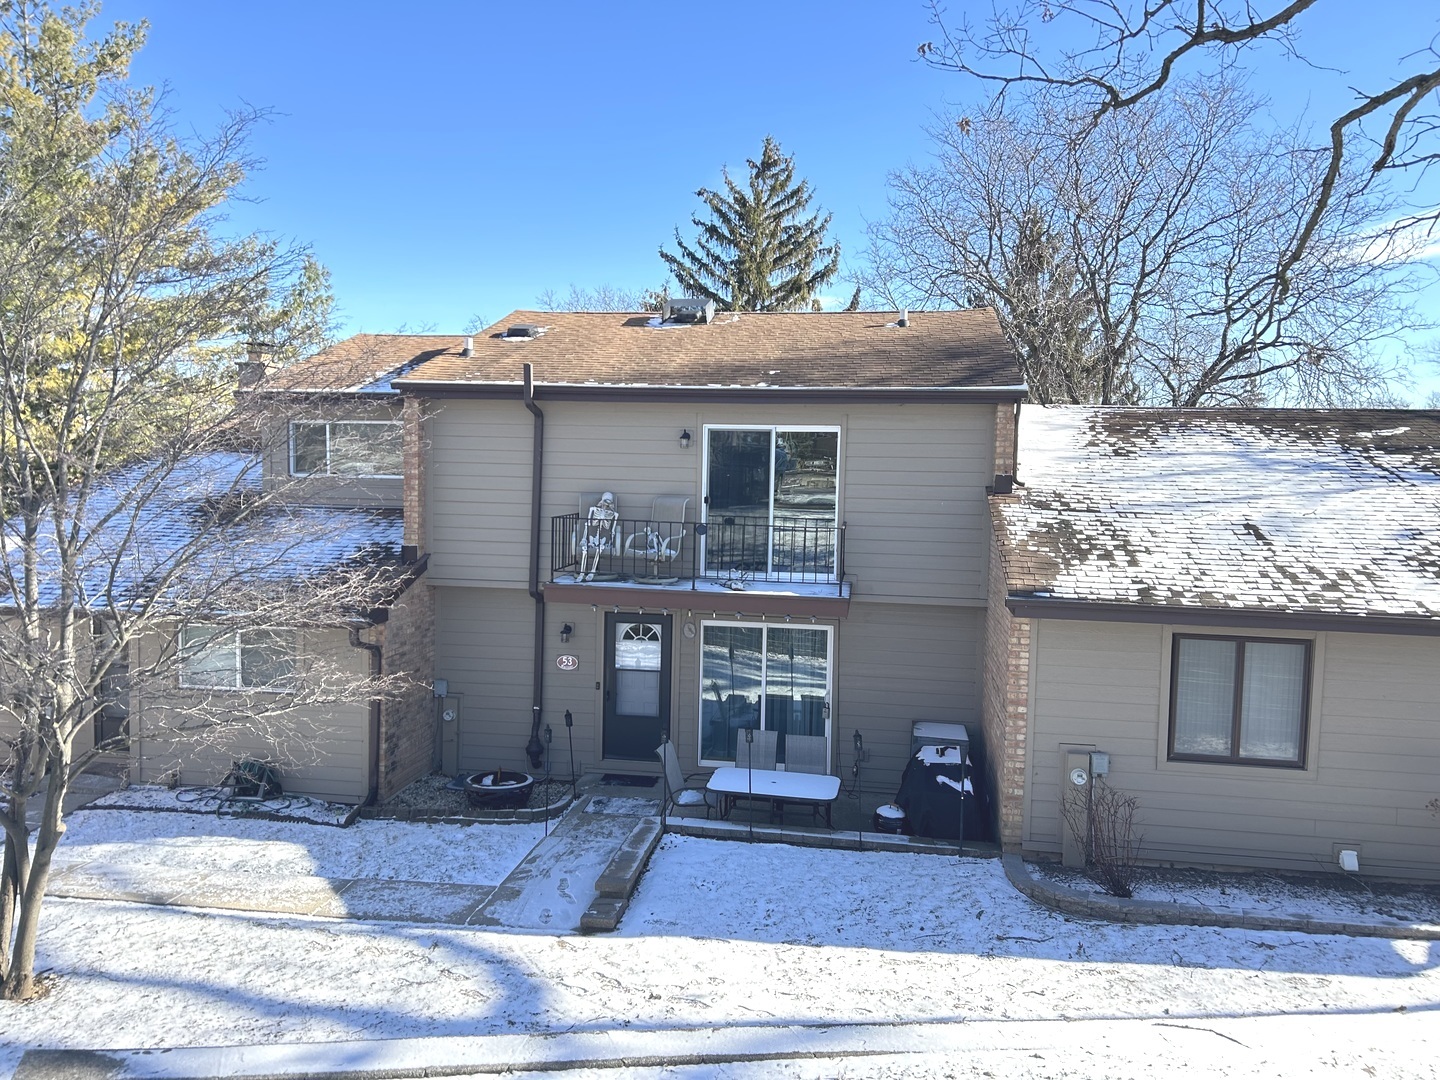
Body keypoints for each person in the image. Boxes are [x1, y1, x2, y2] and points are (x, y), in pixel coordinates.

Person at [578, 491, 618, 581]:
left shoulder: (614, 514)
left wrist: (610, 542)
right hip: (592, 538)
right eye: (605, 501)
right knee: (585, 549)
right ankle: (582, 573)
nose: (606, 504)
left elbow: (612, 530)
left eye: (609, 502)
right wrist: (584, 538)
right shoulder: (593, 509)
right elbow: (587, 524)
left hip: (603, 539)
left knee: (599, 549)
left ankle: (592, 572)